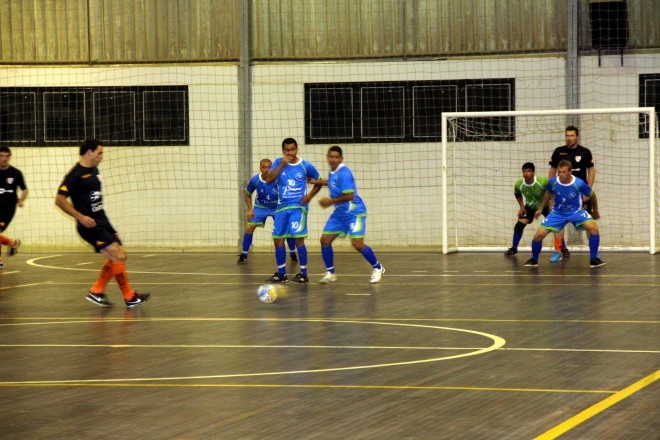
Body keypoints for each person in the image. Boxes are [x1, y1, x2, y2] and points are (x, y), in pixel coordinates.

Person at [55, 139, 150, 308]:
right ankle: (129, 297)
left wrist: (111, 228)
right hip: (89, 226)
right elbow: (59, 200)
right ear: (89, 152)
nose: (101, 156)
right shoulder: (74, 175)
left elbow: (98, 203)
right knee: (117, 256)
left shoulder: (94, 170)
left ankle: (96, 291)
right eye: (99, 152)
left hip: (101, 221)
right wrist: (80, 216)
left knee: (120, 254)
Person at [314, 146, 385, 283]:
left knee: (357, 244)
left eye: (336, 157)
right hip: (340, 213)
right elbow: (333, 183)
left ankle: (378, 268)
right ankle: (331, 273)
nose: (332, 159)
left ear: (341, 159)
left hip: (354, 213)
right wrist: (318, 181)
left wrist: (330, 202)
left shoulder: (344, 173)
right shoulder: (332, 172)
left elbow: (349, 195)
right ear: (327, 157)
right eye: (330, 156)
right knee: (325, 240)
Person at [263, 138, 323, 283]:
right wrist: (281, 165)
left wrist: (309, 196)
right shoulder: (278, 162)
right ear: (283, 150)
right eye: (287, 150)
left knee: (298, 240)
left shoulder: (305, 165)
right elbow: (269, 179)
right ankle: (281, 273)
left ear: (297, 149)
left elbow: (319, 181)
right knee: (278, 240)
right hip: (281, 207)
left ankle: (303, 273)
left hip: (298, 207)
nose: (290, 152)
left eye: (292, 149)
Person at [524, 160, 604, 268]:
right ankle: (534, 260)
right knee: (538, 235)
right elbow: (548, 193)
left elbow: (592, 195)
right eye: (559, 172)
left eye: (564, 172)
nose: (561, 174)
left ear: (570, 172)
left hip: (576, 212)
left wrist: (595, 210)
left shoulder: (579, 183)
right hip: (558, 213)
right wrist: (541, 208)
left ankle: (594, 259)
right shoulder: (553, 182)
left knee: (593, 228)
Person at [547, 125, 596, 262]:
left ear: (577, 137)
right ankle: (558, 251)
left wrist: (588, 190)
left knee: (589, 224)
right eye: (567, 136)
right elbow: (552, 171)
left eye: (572, 136)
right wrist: (551, 192)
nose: (569, 138)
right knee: (558, 224)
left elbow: (591, 171)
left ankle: (593, 254)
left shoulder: (585, 152)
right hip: (561, 195)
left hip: (580, 194)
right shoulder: (558, 151)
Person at [237, 158, 297, 264]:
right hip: (261, 207)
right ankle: (244, 254)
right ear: (260, 168)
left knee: (286, 229)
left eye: (269, 167)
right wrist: (250, 209)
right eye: (264, 167)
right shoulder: (255, 180)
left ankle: (293, 253)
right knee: (250, 227)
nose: (267, 169)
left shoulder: (278, 179)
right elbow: (247, 194)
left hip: (277, 207)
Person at [504, 162, 550, 256]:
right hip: (530, 207)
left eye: (529, 171)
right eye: (524, 171)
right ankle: (514, 248)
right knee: (519, 226)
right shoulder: (519, 184)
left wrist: (544, 207)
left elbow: (551, 192)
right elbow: (517, 193)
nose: (526, 173)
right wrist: (521, 207)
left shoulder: (542, 182)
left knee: (556, 226)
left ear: (533, 172)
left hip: (545, 206)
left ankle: (563, 248)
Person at [0, 146, 28, 269]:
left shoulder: (15, 173)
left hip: (8, 209)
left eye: (7, 156)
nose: (4, 158)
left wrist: (21, 200)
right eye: (1, 156)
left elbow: (25, 189)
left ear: (10, 157)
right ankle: (13, 243)